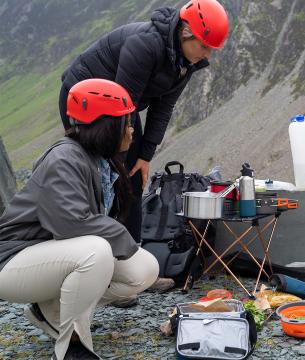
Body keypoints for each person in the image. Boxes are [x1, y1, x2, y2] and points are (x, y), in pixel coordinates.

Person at [57, 0, 229, 296]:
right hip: (84, 102)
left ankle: (132, 265)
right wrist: (119, 160)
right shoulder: (145, 44)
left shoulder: (185, 62)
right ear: (186, 32)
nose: (208, 54)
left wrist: (146, 155)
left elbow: (164, 107)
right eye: (204, 46)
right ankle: (92, 269)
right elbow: (121, 110)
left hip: (122, 106)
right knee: (101, 180)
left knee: (133, 178)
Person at [0, 79, 160, 359]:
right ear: (107, 125)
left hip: (51, 255)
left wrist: (126, 248)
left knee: (144, 268)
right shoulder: (64, 159)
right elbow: (69, 224)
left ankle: (50, 309)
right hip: (13, 261)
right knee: (95, 251)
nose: (132, 129)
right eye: (126, 122)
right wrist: (123, 240)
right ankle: (73, 345)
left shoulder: (100, 158)